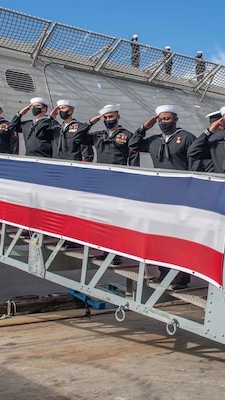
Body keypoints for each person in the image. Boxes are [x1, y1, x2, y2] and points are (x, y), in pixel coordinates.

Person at [134, 104, 198, 288]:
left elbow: (196, 164)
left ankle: (180, 276)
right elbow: (133, 144)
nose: (163, 123)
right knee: (161, 235)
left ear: (176, 119)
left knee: (178, 237)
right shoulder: (154, 140)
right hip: (160, 195)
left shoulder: (186, 138)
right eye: (160, 120)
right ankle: (165, 273)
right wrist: (145, 127)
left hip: (180, 195)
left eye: (167, 119)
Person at [79, 104, 140, 265]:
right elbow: (78, 137)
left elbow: (133, 159)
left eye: (111, 117)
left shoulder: (127, 135)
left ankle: (116, 253)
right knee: (103, 217)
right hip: (101, 181)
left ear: (118, 117)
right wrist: (92, 122)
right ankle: (105, 249)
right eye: (105, 118)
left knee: (116, 218)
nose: (108, 120)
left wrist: (132, 180)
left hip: (118, 181)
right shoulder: (98, 135)